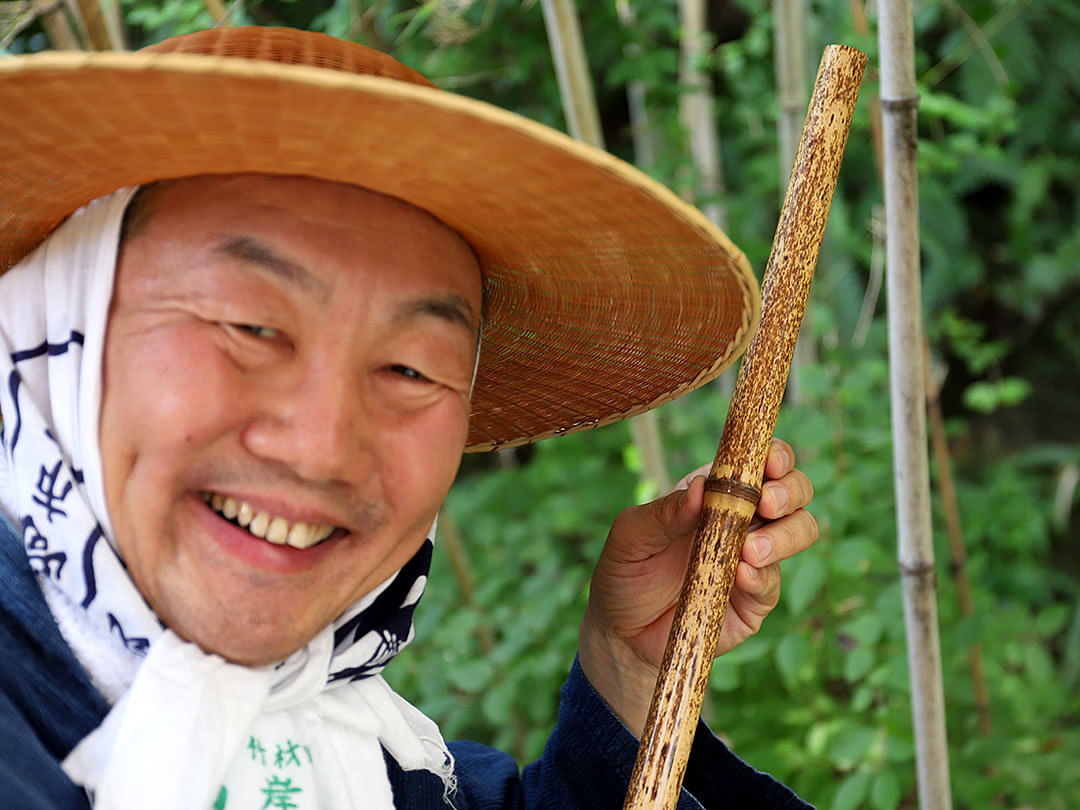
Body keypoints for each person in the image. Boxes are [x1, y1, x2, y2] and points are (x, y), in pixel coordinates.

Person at [0, 26, 818, 810]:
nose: (323, 450)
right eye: (250, 327)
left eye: (410, 368)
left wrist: (628, 668)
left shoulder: (364, 758)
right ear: (54, 332)